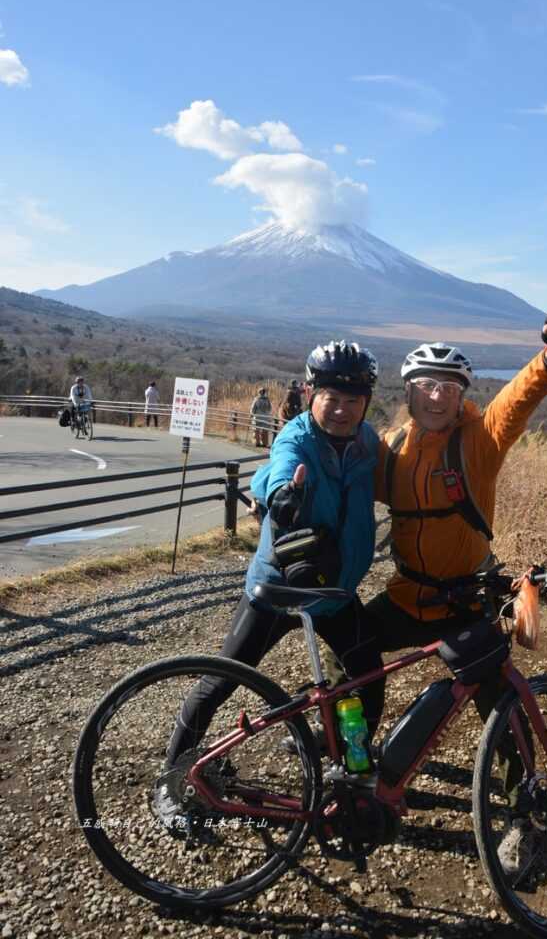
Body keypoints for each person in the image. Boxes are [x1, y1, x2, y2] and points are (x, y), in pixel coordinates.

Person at [368, 312, 547, 875]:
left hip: (467, 600)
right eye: (425, 385)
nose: (436, 396)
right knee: (353, 652)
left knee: (501, 705)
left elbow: (516, 403)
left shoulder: (478, 443)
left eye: (449, 386)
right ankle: (355, 754)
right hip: (406, 593)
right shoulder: (389, 449)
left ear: (461, 394)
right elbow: (339, 475)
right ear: (408, 391)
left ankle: (522, 815)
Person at [155, 340, 385, 832]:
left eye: (353, 399)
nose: (341, 409)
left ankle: (346, 762)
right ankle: (171, 779)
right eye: (331, 397)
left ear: (366, 402)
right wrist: (280, 495)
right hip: (279, 591)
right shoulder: (298, 437)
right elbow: (275, 470)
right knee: (220, 680)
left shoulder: (370, 445)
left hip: (336, 595)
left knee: (368, 677)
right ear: (310, 394)